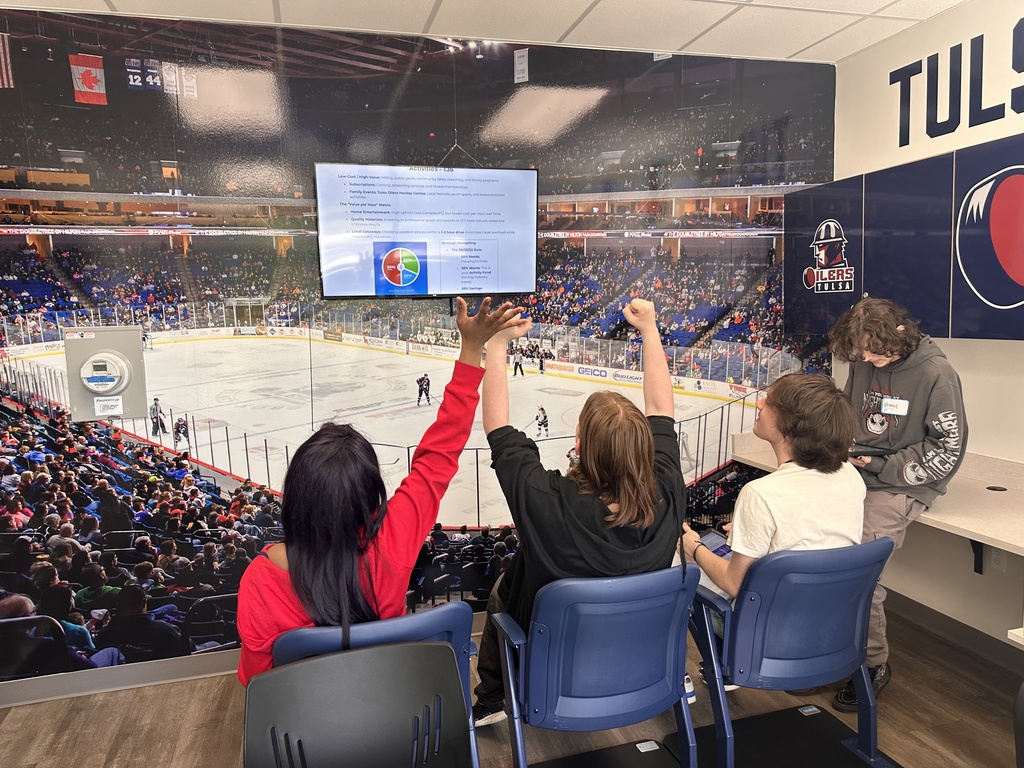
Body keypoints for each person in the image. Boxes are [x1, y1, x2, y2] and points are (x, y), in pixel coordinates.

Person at [236, 297, 526, 686]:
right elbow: (438, 457)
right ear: (370, 496)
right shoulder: (393, 539)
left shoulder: (260, 579)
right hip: (394, 708)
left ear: (297, 497)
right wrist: (472, 348)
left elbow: (256, 683)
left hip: (305, 733)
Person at [471, 298, 685, 726]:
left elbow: (497, 428)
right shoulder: (668, 491)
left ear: (581, 447)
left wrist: (496, 344)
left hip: (550, 675)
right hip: (639, 662)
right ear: (648, 448)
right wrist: (649, 329)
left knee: (505, 587)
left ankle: (493, 697)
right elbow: (662, 409)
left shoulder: (545, 501)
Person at [827, 298, 967, 712]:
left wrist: (881, 464)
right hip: (855, 470)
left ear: (899, 337)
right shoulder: (865, 357)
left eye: (873, 350)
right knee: (810, 544)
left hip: (901, 482)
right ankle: (824, 651)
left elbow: (947, 451)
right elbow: (851, 415)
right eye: (860, 351)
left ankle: (872, 663)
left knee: (858, 567)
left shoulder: (936, 374)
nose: (866, 358)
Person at [678, 373, 864, 644]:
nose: (759, 404)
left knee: (679, 564)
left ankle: (716, 668)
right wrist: (752, 532)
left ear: (790, 424)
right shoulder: (849, 474)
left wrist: (693, 547)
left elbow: (734, 584)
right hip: (827, 623)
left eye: (770, 401)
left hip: (768, 634)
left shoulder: (760, 493)